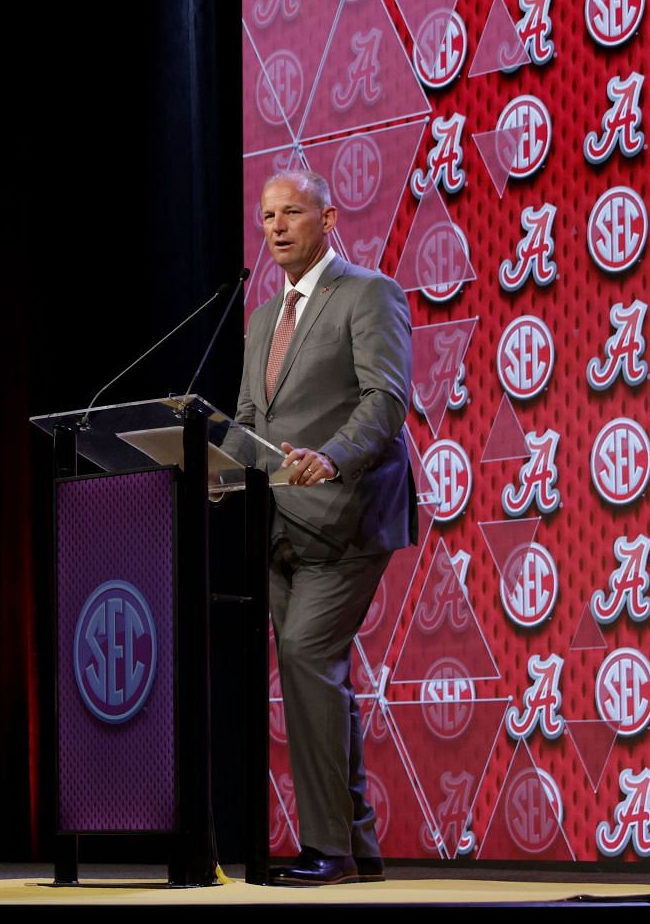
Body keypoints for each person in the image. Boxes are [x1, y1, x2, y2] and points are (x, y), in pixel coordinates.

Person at [235, 170, 415, 887]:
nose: (276, 228)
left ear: (329, 218)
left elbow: (384, 401)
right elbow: (252, 418)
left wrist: (331, 459)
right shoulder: (259, 317)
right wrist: (220, 466)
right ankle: (357, 843)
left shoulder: (368, 294)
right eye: (267, 216)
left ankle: (329, 849)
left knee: (310, 660)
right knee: (313, 678)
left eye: (292, 213)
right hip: (278, 526)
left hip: (347, 516)